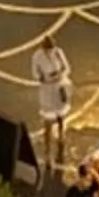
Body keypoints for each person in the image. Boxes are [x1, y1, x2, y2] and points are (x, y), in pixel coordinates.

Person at [31, 31, 72, 167]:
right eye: (48, 49)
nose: (50, 51)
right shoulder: (37, 57)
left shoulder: (59, 52)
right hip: (47, 91)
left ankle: (61, 134)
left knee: (61, 115)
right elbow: (35, 74)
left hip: (59, 88)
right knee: (48, 121)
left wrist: (60, 75)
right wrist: (45, 78)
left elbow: (67, 68)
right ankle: (47, 151)